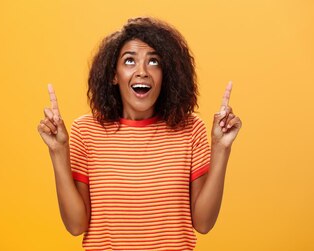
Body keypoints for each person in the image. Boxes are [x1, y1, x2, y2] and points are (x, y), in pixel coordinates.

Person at [37, 17, 242, 250]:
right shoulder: (86, 131)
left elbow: (204, 223)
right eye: (129, 61)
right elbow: (76, 226)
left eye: (153, 62)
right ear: (114, 75)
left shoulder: (190, 129)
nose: (142, 71)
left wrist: (221, 147)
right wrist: (58, 150)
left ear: (167, 75)